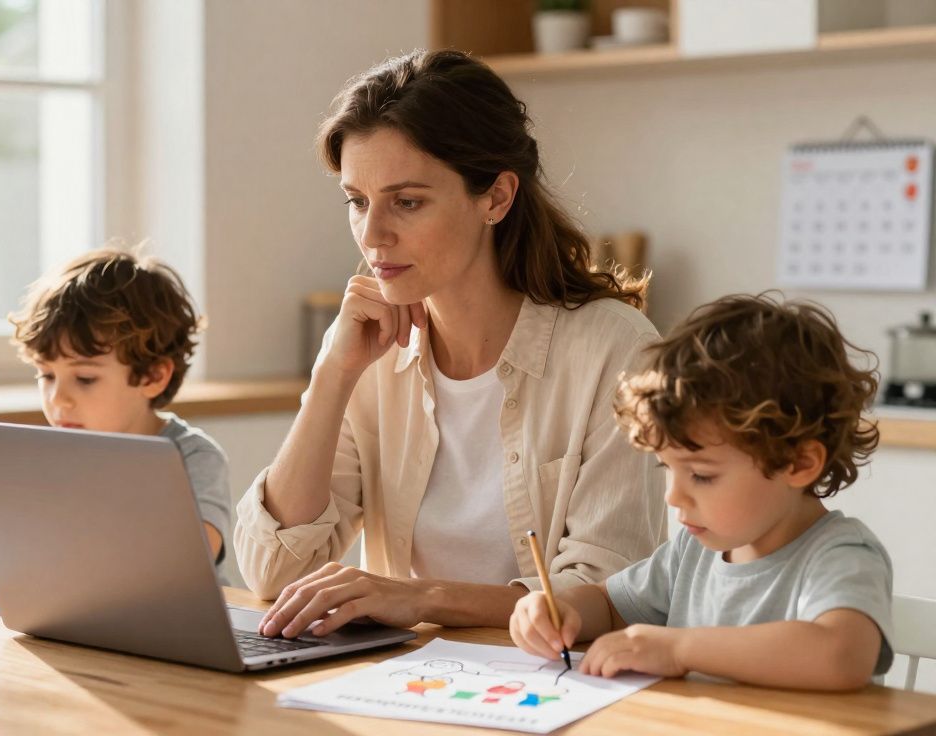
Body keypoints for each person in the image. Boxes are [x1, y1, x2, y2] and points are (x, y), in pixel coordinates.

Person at [236, 49, 667, 639]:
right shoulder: (366, 353)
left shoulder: (614, 350)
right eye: (357, 202)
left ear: (495, 197)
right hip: (401, 688)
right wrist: (333, 374)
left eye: (407, 202)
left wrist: (419, 598)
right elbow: (271, 570)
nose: (373, 234)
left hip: (557, 694)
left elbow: (614, 590)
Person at [509, 294, 893, 691]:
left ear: (797, 463)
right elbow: (608, 605)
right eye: (668, 469)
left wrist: (680, 648)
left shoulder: (841, 555)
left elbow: (841, 656)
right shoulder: (692, 553)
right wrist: (555, 608)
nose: (673, 497)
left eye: (702, 476)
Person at [0, 248, 232, 578]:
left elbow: (194, 555)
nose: (58, 399)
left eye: (84, 378)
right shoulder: (52, 455)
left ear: (154, 376)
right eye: (46, 375)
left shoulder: (193, 457)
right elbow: (15, 534)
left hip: (177, 630)